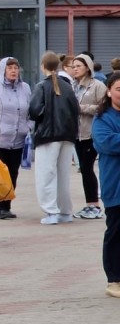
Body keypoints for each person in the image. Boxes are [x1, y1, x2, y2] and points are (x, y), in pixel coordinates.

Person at [28, 51, 79, 225]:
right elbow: (75, 110)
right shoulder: (68, 86)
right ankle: (65, 211)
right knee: (63, 175)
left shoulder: (41, 86)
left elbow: (34, 111)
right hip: (67, 135)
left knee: (46, 174)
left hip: (48, 134)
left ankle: (51, 212)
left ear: (43, 66)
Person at [0, 57, 32, 220]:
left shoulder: (25, 87)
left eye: (16, 67)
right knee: (0, 174)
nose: (14, 71)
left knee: (13, 173)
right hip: (0, 138)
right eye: (10, 68)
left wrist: (29, 126)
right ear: (2, 71)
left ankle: (7, 205)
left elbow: (31, 109)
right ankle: (0, 207)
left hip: (19, 138)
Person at [91, 72, 120, 298]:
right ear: (109, 91)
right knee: (116, 233)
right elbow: (107, 142)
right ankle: (114, 279)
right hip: (116, 186)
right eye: (118, 89)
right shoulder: (102, 119)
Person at [72, 53, 107, 219]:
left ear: (88, 67)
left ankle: (94, 205)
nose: (75, 69)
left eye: (78, 66)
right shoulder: (73, 85)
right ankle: (90, 204)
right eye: (73, 66)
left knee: (87, 168)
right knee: (84, 169)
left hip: (90, 133)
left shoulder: (97, 86)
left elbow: (103, 107)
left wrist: (83, 108)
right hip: (76, 134)